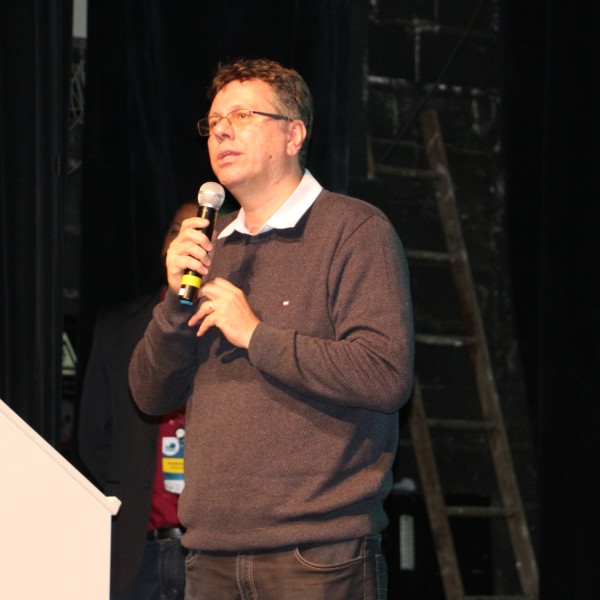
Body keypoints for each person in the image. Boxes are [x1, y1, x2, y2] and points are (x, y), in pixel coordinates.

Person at [128, 58, 414, 600]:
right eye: (212, 123)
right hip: (208, 554)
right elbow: (149, 393)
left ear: (293, 134)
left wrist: (257, 335)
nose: (222, 132)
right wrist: (173, 305)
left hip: (314, 556)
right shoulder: (210, 249)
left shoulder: (354, 230)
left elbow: (385, 375)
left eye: (241, 115)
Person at [79, 202, 198, 599]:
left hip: (213, 555)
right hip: (136, 553)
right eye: (175, 229)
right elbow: (95, 438)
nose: (184, 238)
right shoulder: (119, 326)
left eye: (199, 231)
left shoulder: (236, 326)